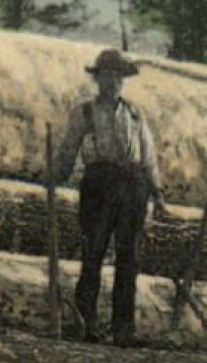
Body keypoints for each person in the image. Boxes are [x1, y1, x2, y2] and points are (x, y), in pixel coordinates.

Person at [54, 48, 166, 347]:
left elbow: (148, 155)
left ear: (123, 80)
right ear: (97, 78)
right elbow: (68, 149)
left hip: (133, 185)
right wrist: (57, 174)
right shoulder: (84, 112)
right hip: (99, 184)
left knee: (129, 258)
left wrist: (157, 190)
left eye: (118, 75)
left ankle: (123, 329)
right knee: (94, 252)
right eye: (107, 74)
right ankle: (85, 322)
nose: (113, 80)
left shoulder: (134, 113)